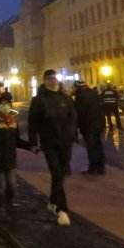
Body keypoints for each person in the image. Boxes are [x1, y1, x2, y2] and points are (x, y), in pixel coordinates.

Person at [28, 69, 77, 227]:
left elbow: (73, 118)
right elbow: (32, 123)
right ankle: (62, 210)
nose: (52, 81)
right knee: (56, 173)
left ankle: (52, 200)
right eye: (49, 78)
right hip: (49, 142)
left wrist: (72, 135)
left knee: (61, 174)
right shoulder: (39, 100)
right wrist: (33, 143)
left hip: (65, 142)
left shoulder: (66, 99)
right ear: (44, 80)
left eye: (54, 78)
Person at [0, 94, 31, 204]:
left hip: (10, 160)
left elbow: (17, 141)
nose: (5, 106)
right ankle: (1, 207)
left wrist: (31, 146)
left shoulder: (13, 123)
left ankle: (7, 204)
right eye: (3, 103)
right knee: (1, 186)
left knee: (12, 186)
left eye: (8, 103)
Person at [73, 80, 105, 175]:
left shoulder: (80, 96)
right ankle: (101, 168)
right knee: (98, 146)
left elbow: (79, 112)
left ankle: (93, 168)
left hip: (87, 125)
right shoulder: (94, 93)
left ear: (78, 87)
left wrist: (77, 125)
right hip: (97, 124)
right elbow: (101, 109)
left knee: (91, 148)